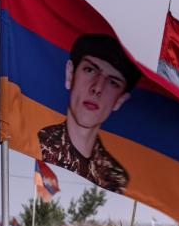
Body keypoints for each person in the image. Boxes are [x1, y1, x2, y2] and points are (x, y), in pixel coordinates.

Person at [37, 33, 140, 193]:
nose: (97, 88)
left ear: (120, 100)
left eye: (113, 82)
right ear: (70, 74)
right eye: (90, 70)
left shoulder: (116, 178)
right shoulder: (39, 143)